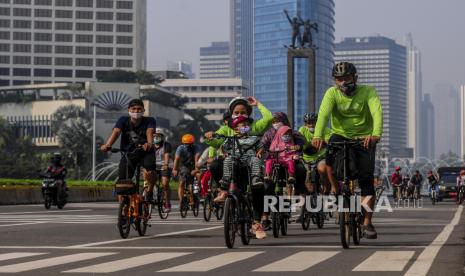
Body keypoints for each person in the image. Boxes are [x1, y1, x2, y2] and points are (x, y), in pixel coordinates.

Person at [312, 61, 383, 239]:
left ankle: (367, 222)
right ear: (335, 81)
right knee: (328, 158)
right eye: (339, 79)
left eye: (347, 78)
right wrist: (318, 136)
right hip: (340, 135)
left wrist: (375, 134)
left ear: (355, 78)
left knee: (366, 180)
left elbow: (377, 113)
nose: (343, 82)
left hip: (364, 138)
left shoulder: (368, 91)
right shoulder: (332, 93)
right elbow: (323, 115)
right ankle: (336, 190)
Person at [204, 96, 273, 239]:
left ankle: (256, 222)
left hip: (249, 168)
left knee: (259, 187)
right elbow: (215, 143)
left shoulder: (254, 131)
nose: (240, 117)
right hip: (234, 166)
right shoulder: (226, 130)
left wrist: (258, 104)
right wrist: (209, 136)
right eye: (237, 112)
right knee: (218, 163)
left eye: (243, 112)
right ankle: (223, 189)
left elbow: (268, 119)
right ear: (231, 116)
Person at [101, 98, 156, 200]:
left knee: (149, 171)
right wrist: (107, 145)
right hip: (129, 153)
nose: (136, 111)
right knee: (122, 182)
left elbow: (150, 131)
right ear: (129, 110)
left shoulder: (150, 120)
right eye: (133, 109)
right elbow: (116, 132)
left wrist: (149, 143)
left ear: (143, 110)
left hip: (146, 152)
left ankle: (150, 191)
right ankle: (123, 209)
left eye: (139, 109)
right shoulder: (123, 120)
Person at [299, 112, 331, 194]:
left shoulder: (325, 130)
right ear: (305, 124)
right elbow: (299, 141)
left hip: (321, 157)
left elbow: (328, 141)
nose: (311, 125)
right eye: (308, 123)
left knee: (323, 169)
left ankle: (326, 189)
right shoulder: (302, 130)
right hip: (306, 158)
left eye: (313, 122)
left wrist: (323, 142)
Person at [173, 134, 201, 206]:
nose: (187, 146)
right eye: (185, 144)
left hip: (193, 165)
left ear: (192, 143)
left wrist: (196, 169)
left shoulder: (196, 147)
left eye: (189, 144)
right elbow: (177, 158)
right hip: (184, 166)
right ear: (183, 143)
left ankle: (197, 192)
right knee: (181, 183)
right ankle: (181, 201)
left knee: (191, 183)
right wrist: (174, 169)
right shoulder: (180, 148)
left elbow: (196, 158)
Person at [153, 128, 172, 212]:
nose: (156, 137)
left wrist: (165, 164)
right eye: (154, 136)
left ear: (162, 137)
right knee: (149, 181)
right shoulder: (150, 145)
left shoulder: (166, 145)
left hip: (165, 165)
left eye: (158, 136)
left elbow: (167, 155)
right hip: (153, 165)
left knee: (165, 183)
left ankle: (167, 203)